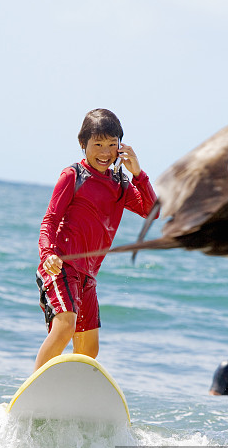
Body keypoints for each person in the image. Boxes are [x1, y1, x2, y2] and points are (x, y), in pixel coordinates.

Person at [34, 108, 158, 371]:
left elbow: (151, 211)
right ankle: (33, 387)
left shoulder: (121, 184)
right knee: (65, 326)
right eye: (98, 144)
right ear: (83, 144)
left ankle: (70, 391)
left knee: (89, 350)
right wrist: (48, 255)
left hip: (88, 277)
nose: (105, 152)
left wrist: (138, 174)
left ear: (121, 147)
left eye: (112, 144)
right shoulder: (74, 176)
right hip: (61, 266)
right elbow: (50, 221)